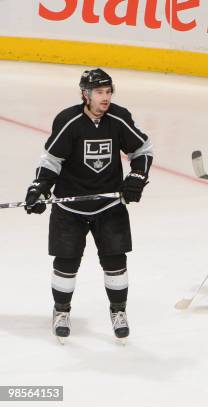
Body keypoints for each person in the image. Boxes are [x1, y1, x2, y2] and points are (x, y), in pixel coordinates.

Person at [24, 68, 153, 343]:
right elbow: (52, 160)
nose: (105, 98)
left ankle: (118, 311)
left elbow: (142, 150)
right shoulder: (69, 120)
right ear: (86, 94)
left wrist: (137, 177)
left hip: (109, 204)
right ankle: (61, 311)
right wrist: (39, 187)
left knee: (116, 260)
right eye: (99, 92)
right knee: (66, 262)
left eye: (108, 92)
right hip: (70, 207)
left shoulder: (119, 118)